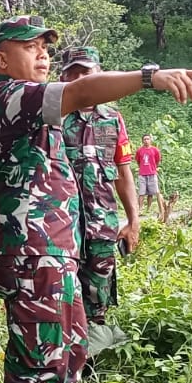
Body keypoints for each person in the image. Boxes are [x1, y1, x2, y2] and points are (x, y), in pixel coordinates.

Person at [0, 15, 192, 383]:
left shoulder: (41, 107)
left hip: (55, 249)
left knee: (70, 350)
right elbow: (82, 91)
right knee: (41, 360)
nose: (43, 53)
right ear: (2, 59)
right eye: (31, 47)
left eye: (46, 46)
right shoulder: (13, 95)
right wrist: (150, 77)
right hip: (31, 252)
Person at [58, 47, 140, 326]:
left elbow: (123, 172)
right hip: (61, 227)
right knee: (63, 299)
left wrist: (133, 220)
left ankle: (94, 363)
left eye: (87, 72)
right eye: (75, 72)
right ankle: (66, 363)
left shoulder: (113, 119)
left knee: (98, 300)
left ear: (100, 75)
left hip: (102, 225)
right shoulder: (53, 118)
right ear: (64, 76)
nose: (82, 78)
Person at [134, 135, 162, 212]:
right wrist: (142, 167)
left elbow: (157, 160)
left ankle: (148, 209)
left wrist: (154, 168)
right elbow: (138, 161)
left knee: (151, 192)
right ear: (142, 141)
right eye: (144, 139)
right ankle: (140, 209)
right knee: (141, 192)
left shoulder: (155, 150)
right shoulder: (139, 150)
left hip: (152, 173)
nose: (146, 140)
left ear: (150, 140)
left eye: (148, 139)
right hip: (142, 174)